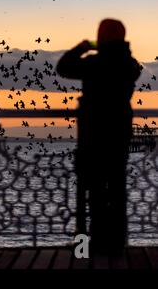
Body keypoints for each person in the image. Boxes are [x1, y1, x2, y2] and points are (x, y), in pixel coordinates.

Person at [57, 19, 141, 255]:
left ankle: (91, 244)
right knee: (116, 189)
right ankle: (115, 244)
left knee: (93, 192)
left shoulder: (94, 63)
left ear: (101, 37)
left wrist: (82, 47)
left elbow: (63, 68)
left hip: (93, 136)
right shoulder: (130, 64)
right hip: (118, 135)